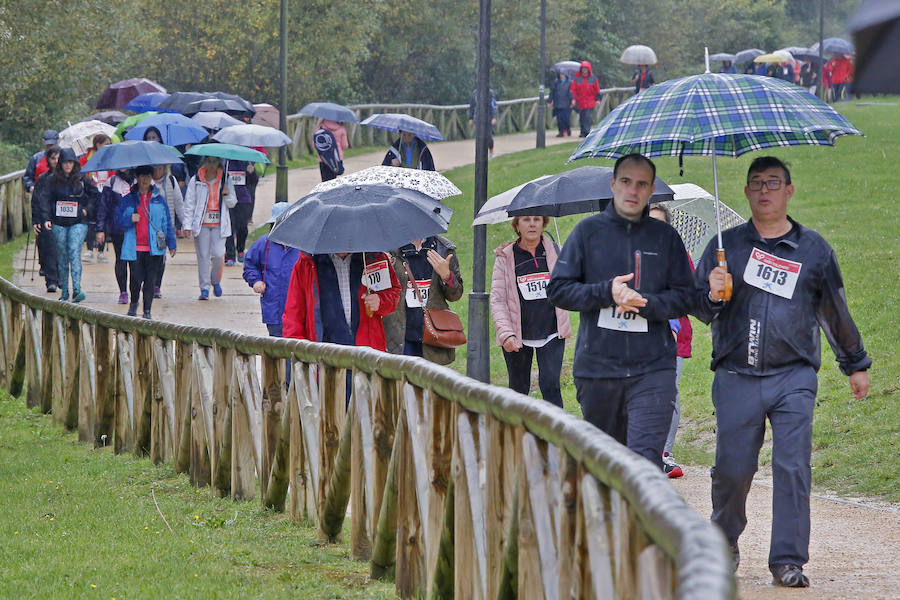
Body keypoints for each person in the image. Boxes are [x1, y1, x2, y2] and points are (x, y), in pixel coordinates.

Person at [692, 156, 871, 587]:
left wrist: (855, 363)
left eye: (773, 182)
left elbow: (835, 310)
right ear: (748, 192)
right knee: (733, 468)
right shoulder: (726, 246)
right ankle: (725, 539)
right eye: (756, 184)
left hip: (794, 377)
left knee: (793, 465)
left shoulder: (814, 250)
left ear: (789, 191)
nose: (765, 190)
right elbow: (697, 307)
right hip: (736, 374)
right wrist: (713, 294)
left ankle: (788, 560)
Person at [547, 154, 694, 467]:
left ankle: (642, 515)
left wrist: (647, 304)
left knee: (643, 464)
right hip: (598, 370)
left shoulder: (666, 237)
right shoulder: (587, 233)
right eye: (626, 181)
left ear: (651, 189)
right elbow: (558, 290)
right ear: (613, 184)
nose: (633, 190)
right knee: (608, 466)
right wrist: (606, 293)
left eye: (642, 184)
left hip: (653, 370)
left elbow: (686, 298)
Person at [491, 216, 572, 407]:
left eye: (537, 219)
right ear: (517, 225)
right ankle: (517, 435)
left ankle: (556, 435)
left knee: (551, 386)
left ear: (543, 224)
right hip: (517, 335)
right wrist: (506, 334)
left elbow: (571, 285)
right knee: (518, 390)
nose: (532, 224)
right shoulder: (506, 256)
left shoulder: (556, 251)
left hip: (552, 332)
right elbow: (498, 299)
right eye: (526, 220)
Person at [648, 204, 692, 479]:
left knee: (669, 394)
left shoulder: (679, 256)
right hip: (640, 335)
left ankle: (664, 452)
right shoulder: (632, 256)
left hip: (674, 336)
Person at [282, 250, 401, 351]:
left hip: (367, 352)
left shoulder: (374, 258)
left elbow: (393, 292)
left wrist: (381, 301)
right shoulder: (306, 263)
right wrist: (299, 354)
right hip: (323, 355)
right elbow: (293, 315)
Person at [384, 235, 464, 365]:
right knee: (402, 383)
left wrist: (446, 276)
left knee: (431, 384)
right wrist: (384, 267)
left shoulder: (443, 249)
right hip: (399, 336)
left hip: (433, 336)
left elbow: (455, 295)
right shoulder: (388, 249)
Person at [115, 165, 176, 319]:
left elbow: (166, 222)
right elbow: (117, 221)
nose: (145, 180)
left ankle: (147, 310)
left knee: (150, 280)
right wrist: (129, 219)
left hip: (154, 248)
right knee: (135, 280)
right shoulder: (128, 199)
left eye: (148, 176)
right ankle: (134, 303)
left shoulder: (159, 199)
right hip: (134, 247)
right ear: (137, 178)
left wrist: (172, 243)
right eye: (142, 176)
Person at [39, 148, 99, 303]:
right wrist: (46, 218)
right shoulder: (52, 180)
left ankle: (77, 289)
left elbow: (95, 195)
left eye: (70, 162)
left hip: (78, 222)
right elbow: (44, 199)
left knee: (73, 251)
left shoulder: (82, 178)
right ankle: (65, 291)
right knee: (62, 256)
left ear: (75, 163)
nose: (67, 165)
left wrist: (86, 210)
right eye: (65, 162)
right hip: (58, 223)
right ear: (60, 163)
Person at [182, 156, 237, 300]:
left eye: (214, 162)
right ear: (204, 162)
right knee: (203, 257)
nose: (212, 165)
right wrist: (187, 225)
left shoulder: (225, 179)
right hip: (202, 225)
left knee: (219, 254)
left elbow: (232, 203)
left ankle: (215, 281)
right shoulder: (196, 180)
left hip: (220, 224)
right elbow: (189, 204)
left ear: (218, 162)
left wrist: (227, 194)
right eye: (209, 161)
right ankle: (204, 288)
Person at [96, 170, 135, 304]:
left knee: (136, 262)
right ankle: (123, 291)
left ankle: (135, 290)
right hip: (118, 228)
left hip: (137, 229)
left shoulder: (140, 179)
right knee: (121, 259)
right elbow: (103, 206)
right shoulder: (111, 182)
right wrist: (100, 229)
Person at [151, 164, 185, 297]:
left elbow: (178, 204)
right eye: (155, 168)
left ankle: (156, 285)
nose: (158, 171)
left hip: (164, 226)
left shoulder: (171, 181)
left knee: (160, 256)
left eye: (160, 168)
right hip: (148, 225)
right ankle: (148, 281)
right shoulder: (144, 180)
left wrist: (185, 224)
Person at [30, 146, 60, 293]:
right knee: (47, 248)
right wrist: (35, 220)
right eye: (53, 158)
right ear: (48, 160)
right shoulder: (42, 179)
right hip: (45, 217)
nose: (56, 161)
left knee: (62, 249)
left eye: (58, 158)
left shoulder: (69, 178)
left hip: (62, 219)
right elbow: (36, 200)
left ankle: (60, 276)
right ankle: (51, 280)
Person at [81, 133, 112, 265]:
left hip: (105, 193)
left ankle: (100, 251)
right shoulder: (87, 159)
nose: (108, 147)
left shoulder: (111, 159)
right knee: (90, 222)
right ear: (98, 145)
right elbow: (81, 173)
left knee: (103, 222)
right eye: (106, 144)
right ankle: (89, 249)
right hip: (91, 194)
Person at [224, 160, 258, 266]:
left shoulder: (246, 162)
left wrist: (251, 173)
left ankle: (240, 250)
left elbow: (253, 182)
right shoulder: (225, 163)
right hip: (228, 200)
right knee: (229, 227)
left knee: (242, 227)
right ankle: (230, 255)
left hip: (243, 199)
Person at [569, 61, 600, 137]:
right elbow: (573, 90)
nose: (584, 70)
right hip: (580, 101)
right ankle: (582, 131)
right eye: (583, 69)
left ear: (588, 69)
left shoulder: (593, 79)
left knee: (587, 116)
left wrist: (598, 100)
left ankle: (587, 131)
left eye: (585, 69)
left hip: (590, 101)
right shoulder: (577, 79)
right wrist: (573, 99)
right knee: (582, 116)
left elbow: (597, 90)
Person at [24, 129, 59, 195]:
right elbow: (27, 177)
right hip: (40, 195)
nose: (50, 148)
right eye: (48, 145)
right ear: (43, 142)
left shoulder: (64, 157)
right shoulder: (36, 158)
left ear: (58, 142)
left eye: (53, 145)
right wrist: (31, 187)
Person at [468, 88, 498, 157]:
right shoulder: (474, 93)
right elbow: (472, 107)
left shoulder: (490, 93)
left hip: (488, 117)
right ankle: (480, 153)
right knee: (479, 136)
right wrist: (471, 118)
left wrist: (494, 117)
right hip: (477, 118)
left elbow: (493, 105)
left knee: (488, 136)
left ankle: (491, 151)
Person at [547, 71, 573, 137]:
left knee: (566, 118)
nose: (562, 76)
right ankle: (561, 132)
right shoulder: (555, 83)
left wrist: (572, 100)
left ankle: (568, 129)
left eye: (563, 74)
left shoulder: (570, 83)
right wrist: (549, 101)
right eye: (561, 74)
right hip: (557, 103)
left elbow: (572, 93)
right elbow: (552, 93)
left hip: (567, 103)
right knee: (559, 119)